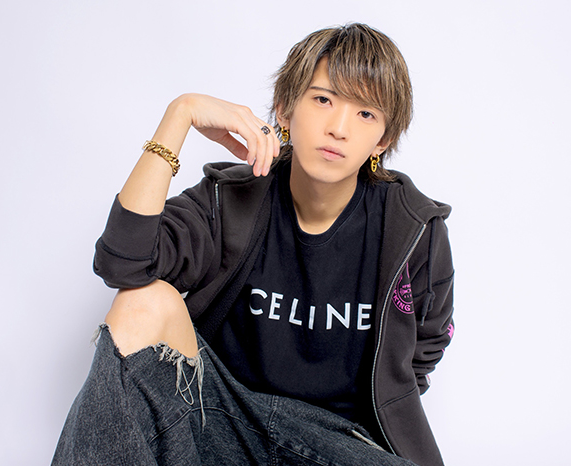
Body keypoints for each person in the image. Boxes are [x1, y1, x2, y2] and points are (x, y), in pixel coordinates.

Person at [53, 23, 455, 466]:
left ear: (383, 139)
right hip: (222, 419)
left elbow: (423, 349)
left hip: (335, 445)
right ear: (284, 110)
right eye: (323, 100)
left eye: (365, 113)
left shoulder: (413, 227)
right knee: (142, 302)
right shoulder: (231, 200)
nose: (339, 128)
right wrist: (179, 115)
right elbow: (123, 262)